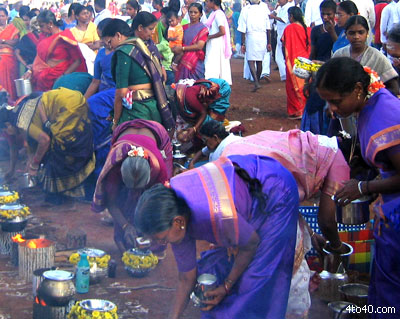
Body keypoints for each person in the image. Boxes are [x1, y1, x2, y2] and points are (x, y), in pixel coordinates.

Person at [134, 154, 299, 318]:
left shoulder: (216, 215)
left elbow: (250, 244)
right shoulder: (174, 213)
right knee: (211, 271)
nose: (161, 244)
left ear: (178, 222)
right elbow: (187, 278)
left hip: (274, 189)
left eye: (161, 238)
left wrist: (227, 286)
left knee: (255, 281)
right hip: (240, 195)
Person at [316, 56, 400, 319]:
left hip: (397, 219)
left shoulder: (383, 116)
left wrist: (364, 187)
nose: (331, 109)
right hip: (389, 210)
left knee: (391, 287)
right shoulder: (372, 104)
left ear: (357, 90)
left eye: (336, 101)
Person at [0, 88, 95, 204]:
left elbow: (44, 140)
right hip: (77, 98)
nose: (8, 133)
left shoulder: (21, 122)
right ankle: (84, 191)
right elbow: (31, 147)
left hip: (67, 108)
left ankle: (59, 197)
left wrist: (34, 164)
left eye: (5, 130)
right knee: (76, 145)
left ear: (7, 124)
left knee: (58, 149)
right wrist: (28, 165)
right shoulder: (20, 108)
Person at [92, 119, 173, 254]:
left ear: (149, 177)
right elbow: (111, 201)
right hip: (124, 130)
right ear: (121, 175)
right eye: (131, 188)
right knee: (124, 200)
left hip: (158, 133)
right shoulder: (115, 166)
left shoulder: (159, 169)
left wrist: (150, 232)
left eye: (139, 188)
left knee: (156, 213)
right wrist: (125, 226)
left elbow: (161, 205)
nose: (136, 192)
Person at [102, 15, 174, 133]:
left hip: (137, 111)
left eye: (109, 42)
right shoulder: (148, 45)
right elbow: (163, 76)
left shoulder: (124, 52)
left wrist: (115, 121)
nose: (110, 47)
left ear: (118, 35)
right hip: (155, 106)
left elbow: (121, 92)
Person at [333, 15, 399, 95]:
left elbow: (394, 88)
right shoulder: (339, 55)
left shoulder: (377, 57)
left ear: (367, 33)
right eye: (352, 33)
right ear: (346, 34)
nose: (356, 37)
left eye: (361, 32)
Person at [301, 0, 339, 135]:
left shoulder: (341, 30)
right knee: (314, 104)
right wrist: (307, 80)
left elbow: (340, 49)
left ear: (335, 14)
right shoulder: (316, 30)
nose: (325, 17)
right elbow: (313, 54)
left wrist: (332, 32)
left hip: (335, 73)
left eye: (329, 14)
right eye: (323, 14)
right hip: (318, 74)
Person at [84, 18, 116, 180]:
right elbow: (95, 81)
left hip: (116, 98)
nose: (102, 41)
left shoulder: (122, 51)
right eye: (100, 37)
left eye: (104, 37)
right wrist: (82, 102)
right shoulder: (102, 54)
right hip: (102, 101)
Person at [29, 10, 87, 92]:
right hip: (43, 79)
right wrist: (30, 70)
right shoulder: (43, 37)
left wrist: (62, 77)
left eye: (42, 26)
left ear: (50, 24)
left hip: (60, 80)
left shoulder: (64, 37)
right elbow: (39, 59)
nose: (40, 29)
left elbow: (77, 61)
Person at [175, 78, 231, 143]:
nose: (187, 136)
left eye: (187, 137)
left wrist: (195, 128)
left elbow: (203, 113)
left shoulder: (189, 101)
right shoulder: (179, 100)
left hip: (219, 89)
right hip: (208, 89)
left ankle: (220, 142)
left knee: (213, 121)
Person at [282, 6, 310, 119]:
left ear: (291, 16)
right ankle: (304, 110)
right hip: (306, 61)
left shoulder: (289, 28)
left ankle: (297, 111)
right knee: (305, 85)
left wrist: (286, 58)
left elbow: (283, 45)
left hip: (293, 61)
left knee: (292, 87)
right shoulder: (307, 29)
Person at [237, 0, 271, 92]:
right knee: (259, 60)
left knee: (251, 60)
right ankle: (257, 81)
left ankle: (256, 82)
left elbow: (242, 28)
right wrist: (269, 42)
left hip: (251, 36)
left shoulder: (245, 9)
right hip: (263, 37)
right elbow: (268, 28)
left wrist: (243, 43)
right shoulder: (264, 9)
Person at [173, 3, 208, 81]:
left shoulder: (203, 29)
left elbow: (199, 46)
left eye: (195, 12)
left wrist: (182, 48)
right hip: (181, 59)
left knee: (195, 86)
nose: (192, 14)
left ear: (200, 14)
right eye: (190, 12)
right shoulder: (183, 27)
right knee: (181, 86)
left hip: (195, 62)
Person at [203, 0, 232, 85]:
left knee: (212, 63)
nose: (206, 3)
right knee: (215, 63)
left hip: (216, 43)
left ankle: (213, 83)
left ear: (213, 2)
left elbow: (222, 31)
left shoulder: (218, 14)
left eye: (208, 1)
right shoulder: (214, 13)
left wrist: (209, 37)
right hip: (214, 42)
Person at [271, 0, 294, 82]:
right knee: (278, 57)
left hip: (286, 35)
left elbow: (284, 20)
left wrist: (273, 17)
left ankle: (287, 74)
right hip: (279, 34)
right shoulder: (280, 8)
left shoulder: (288, 7)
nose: (279, 1)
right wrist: (275, 10)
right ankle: (285, 74)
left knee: (285, 55)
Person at [0, 7, 19, 101]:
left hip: (10, 60)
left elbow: (15, 41)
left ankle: (11, 101)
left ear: (7, 17)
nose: (0, 18)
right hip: (1, 60)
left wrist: (3, 41)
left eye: (2, 16)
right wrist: (8, 43)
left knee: (10, 82)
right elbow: (11, 42)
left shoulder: (12, 28)